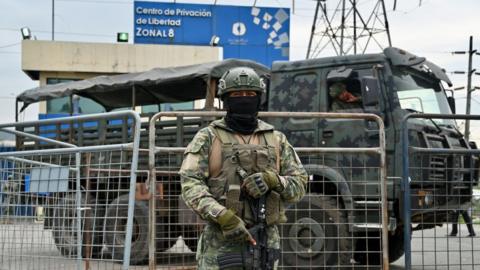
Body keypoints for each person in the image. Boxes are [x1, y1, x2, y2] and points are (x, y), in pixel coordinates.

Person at [180, 67, 308, 269]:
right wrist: (222, 216)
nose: (244, 99)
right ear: (225, 100)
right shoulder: (208, 137)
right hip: (220, 242)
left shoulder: (276, 139)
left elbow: (299, 185)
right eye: (237, 95)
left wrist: (274, 180)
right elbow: (190, 185)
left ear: (259, 98)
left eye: (250, 95)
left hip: (266, 242)